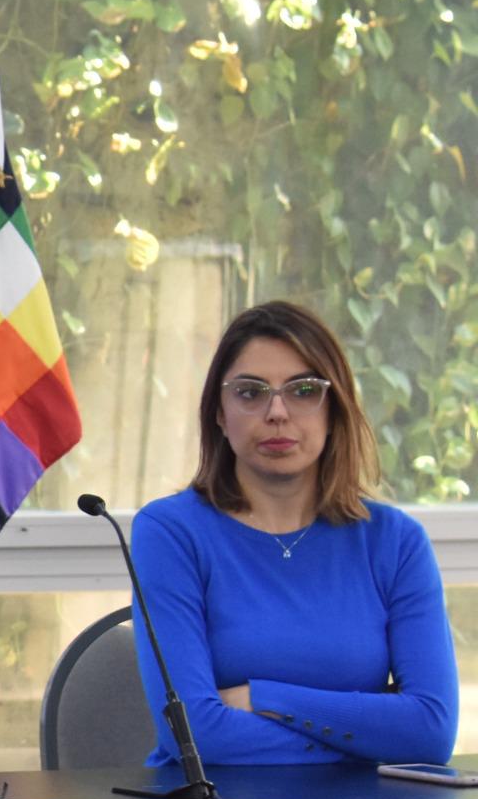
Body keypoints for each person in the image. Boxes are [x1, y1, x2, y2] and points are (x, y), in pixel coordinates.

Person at [129, 300, 454, 769]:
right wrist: (366, 738)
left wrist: (263, 696)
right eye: (250, 392)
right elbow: (196, 735)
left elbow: (430, 733)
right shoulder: (170, 533)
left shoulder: (396, 542)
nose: (277, 412)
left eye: (303, 391)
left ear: (334, 409)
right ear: (219, 412)